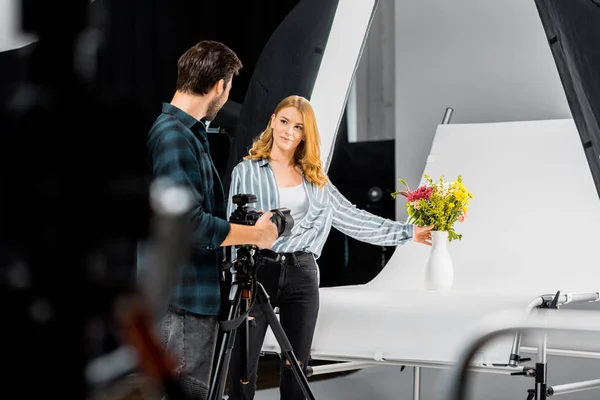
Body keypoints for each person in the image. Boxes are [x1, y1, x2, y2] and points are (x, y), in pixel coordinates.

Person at [225, 95, 433, 400]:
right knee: (242, 372)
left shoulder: (315, 179)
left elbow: (352, 218)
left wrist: (407, 232)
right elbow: (236, 228)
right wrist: (233, 279)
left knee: (296, 368)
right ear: (272, 121)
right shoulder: (247, 172)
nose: (288, 131)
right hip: (258, 271)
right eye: (284, 122)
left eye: (297, 127)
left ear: (304, 135)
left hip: (302, 273)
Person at [145, 40, 279, 399]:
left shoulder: (185, 134)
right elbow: (190, 226)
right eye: (229, 87)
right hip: (184, 302)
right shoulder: (173, 136)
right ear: (220, 85)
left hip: (186, 300)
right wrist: (256, 234)